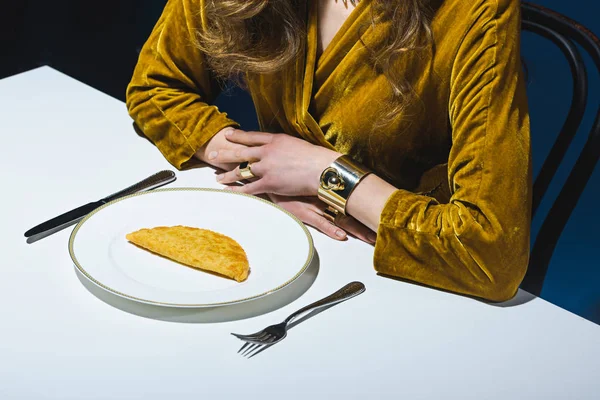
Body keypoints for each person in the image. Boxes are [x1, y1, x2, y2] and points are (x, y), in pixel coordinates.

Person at [126, 0, 531, 302]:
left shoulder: (476, 10)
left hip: (401, 278)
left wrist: (326, 174)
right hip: (274, 246)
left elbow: (490, 254)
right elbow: (155, 86)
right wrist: (262, 169)